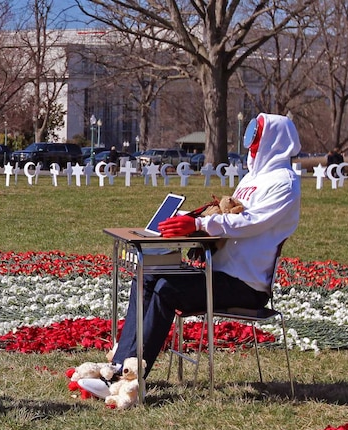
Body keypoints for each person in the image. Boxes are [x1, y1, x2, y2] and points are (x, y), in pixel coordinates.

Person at [78, 113, 302, 395]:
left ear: (274, 141)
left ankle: (130, 380)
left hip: (246, 284)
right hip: (217, 272)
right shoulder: (252, 179)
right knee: (148, 273)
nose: (251, 147)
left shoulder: (284, 182)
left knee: (167, 289)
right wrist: (198, 235)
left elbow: (251, 222)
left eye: (255, 140)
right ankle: (121, 366)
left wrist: (199, 224)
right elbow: (229, 216)